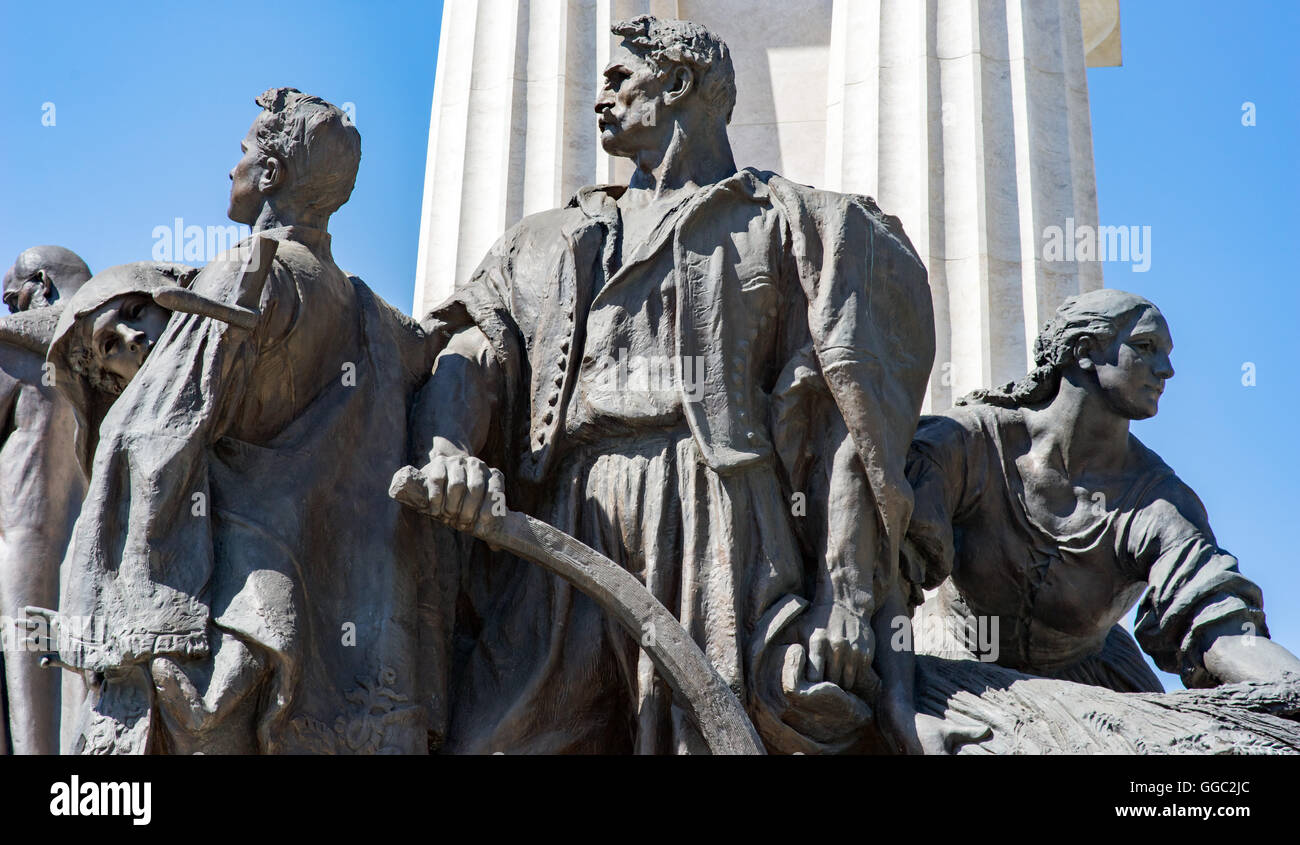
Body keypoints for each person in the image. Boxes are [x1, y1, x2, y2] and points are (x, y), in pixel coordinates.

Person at [391, 15, 939, 754]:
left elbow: (849, 426)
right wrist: (449, 443)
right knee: (496, 738)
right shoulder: (556, 236)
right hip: (571, 511)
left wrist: (845, 592)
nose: (600, 97)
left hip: (723, 516)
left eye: (620, 80)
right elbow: (478, 344)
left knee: (713, 737)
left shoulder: (794, 226)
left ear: (677, 84)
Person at [48, 88, 446, 754]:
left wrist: (120, 612)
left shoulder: (247, 274)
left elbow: (154, 436)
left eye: (241, 153)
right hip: (329, 645)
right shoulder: (373, 314)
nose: (229, 168)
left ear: (272, 174)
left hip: (224, 615)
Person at [904, 288, 1300, 692]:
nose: (1166, 370)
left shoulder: (1160, 503)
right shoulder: (968, 443)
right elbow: (884, 570)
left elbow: (1221, 624)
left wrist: (1289, 684)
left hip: (1098, 684)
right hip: (956, 659)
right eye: (1145, 347)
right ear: (1085, 351)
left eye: (1167, 353)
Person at [0, 246, 91, 754]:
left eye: (14, 299)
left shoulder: (11, 351)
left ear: (41, 283)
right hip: (95, 549)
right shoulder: (131, 353)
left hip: (23, 551)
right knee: (83, 687)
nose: (12, 312)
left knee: (28, 708)